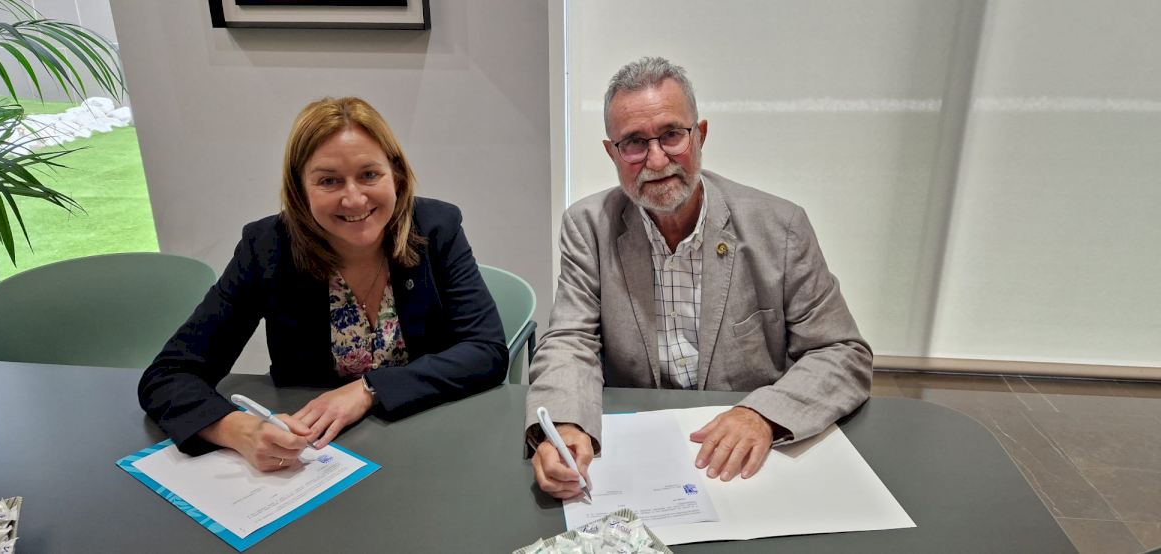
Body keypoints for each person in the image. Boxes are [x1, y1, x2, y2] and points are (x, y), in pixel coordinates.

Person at [526, 57, 873, 499]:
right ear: (612, 153)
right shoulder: (587, 226)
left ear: (700, 135)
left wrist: (764, 415)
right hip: (638, 453)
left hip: (747, 457)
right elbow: (569, 339)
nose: (656, 160)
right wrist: (565, 423)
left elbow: (841, 352)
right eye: (634, 143)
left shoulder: (780, 227)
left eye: (672, 135)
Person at [139, 97, 507, 471]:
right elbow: (168, 375)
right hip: (316, 459)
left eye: (369, 174)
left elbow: (486, 351)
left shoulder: (436, 227)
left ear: (395, 175)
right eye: (329, 181)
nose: (354, 199)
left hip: (428, 438)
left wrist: (368, 389)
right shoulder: (266, 248)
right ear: (300, 190)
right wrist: (240, 430)